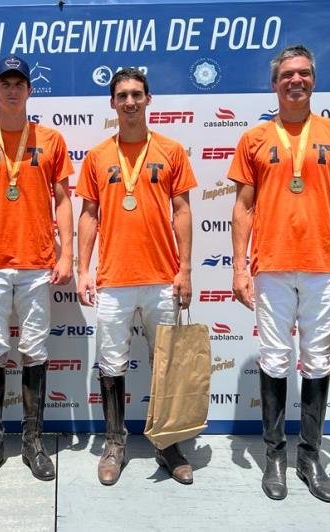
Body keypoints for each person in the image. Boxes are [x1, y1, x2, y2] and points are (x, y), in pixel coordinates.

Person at [229, 44, 330, 503]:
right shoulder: (254, 138)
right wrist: (238, 267)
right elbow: (243, 207)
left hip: (323, 266)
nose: (296, 80)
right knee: (273, 358)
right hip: (269, 265)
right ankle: (274, 456)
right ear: (274, 83)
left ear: (313, 80)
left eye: (304, 73)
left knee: (317, 360)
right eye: (287, 74)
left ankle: (309, 455)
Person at [0, 54, 74, 484]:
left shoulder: (51, 140)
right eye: (4, 83)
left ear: (29, 90)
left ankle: (33, 441)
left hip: (37, 263)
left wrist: (67, 255)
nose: (11, 89)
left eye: (18, 83)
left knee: (35, 352)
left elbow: (62, 200)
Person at [76, 67, 197, 486]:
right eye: (122, 95)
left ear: (149, 99)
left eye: (137, 94)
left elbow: (181, 210)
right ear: (112, 103)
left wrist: (184, 269)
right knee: (111, 365)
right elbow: (88, 215)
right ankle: (115, 442)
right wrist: (82, 269)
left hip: (163, 278)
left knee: (167, 365)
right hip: (114, 279)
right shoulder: (97, 156)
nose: (129, 102)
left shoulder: (171, 150)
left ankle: (168, 444)